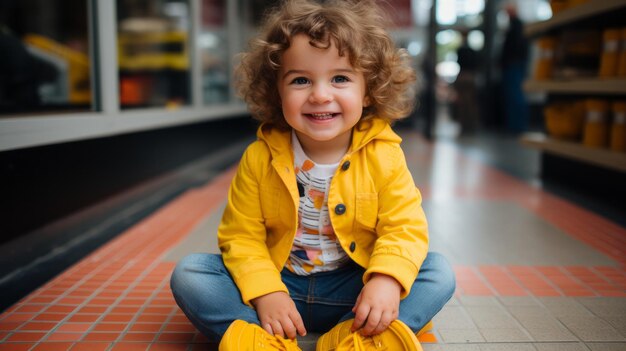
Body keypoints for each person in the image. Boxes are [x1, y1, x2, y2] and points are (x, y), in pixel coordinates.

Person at [170, 1, 456, 350]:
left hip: (354, 290)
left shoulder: (385, 156)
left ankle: (353, 337)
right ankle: (261, 339)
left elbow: (404, 228)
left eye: (340, 78)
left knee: (436, 271)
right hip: (280, 289)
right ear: (277, 90)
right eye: (301, 80)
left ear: (367, 90)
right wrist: (265, 293)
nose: (320, 95)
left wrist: (384, 280)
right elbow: (241, 237)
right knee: (192, 274)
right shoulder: (259, 158)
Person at [500, 2, 529, 133]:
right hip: (513, 65)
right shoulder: (514, 26)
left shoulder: (517, 26)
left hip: (514, 65)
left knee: (515, 95)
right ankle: (514, 125)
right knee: (513, 96)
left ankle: (517, 126)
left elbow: (516, 48)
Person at [453, 30, 481, 134]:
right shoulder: (472, 51)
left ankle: (464, 125)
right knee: (471, 102)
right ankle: (471, 125)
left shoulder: (460, 50)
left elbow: (458, 62)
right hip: (471, 76)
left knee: (463, 102)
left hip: (463, 75)